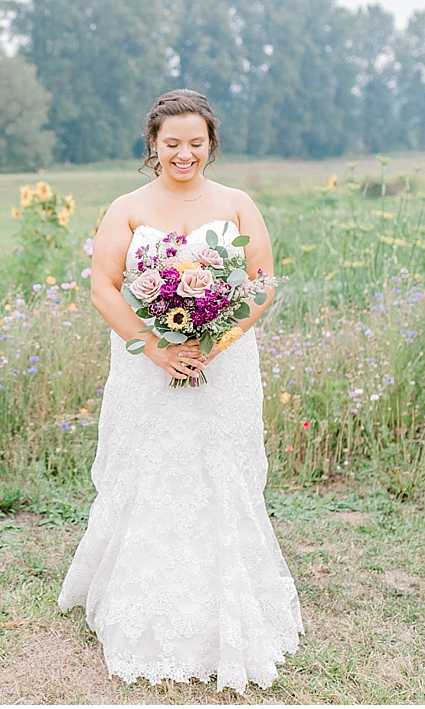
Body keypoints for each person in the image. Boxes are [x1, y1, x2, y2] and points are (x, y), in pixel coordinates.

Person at [58, 89, 304, 692]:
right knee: (152, 470)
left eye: (195, 143)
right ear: (153, 146)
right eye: (172, 144)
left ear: (210, 144)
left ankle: (229, 609)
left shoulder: (238, 204)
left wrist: (214, 341)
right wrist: (157, 348)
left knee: (221, 471)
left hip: (224, 364)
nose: (184, 153)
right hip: (146, 364)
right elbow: (104, 288)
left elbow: (262, 282)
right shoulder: (128, 207)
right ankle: (141, 605)